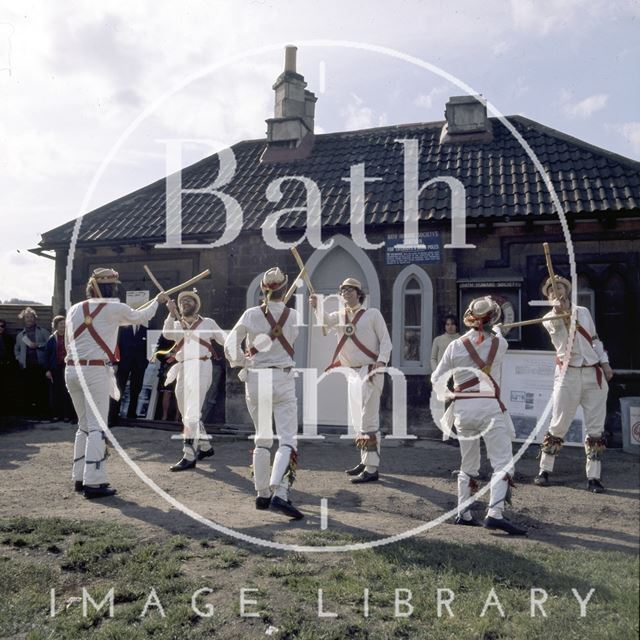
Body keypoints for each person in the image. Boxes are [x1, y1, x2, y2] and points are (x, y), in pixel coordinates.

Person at [66, 267, 168, 499]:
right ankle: (94, 482)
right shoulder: (115, 308)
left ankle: (79, 478)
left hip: (71, 370)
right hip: (94, 370)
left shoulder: (74, 309)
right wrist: (158, 301)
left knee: (83, 426)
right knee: (97, 427)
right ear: (112, 287)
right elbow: (141, 317)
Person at [431, 296, 527, 536]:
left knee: (469, 463)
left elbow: (436, 379)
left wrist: (450, 395)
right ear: (492, 318)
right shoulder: (500, 344)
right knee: (502, 462)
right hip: (489, 407)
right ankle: (495, 514)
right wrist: (498, 330)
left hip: (463, 409)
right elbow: (496, 341)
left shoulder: (455, 345)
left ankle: (463, 513)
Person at [225, 267, 303, 520]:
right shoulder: (293, 316)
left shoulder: (250, 314)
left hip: (257, 378)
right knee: (287, 438)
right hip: (282, 377)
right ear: (284, 288)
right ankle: (279, 493)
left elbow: (230, 342)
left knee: (262, 438)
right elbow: (292, 338)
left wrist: (240, 361)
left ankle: (261, 493)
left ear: (263, 289)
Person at [534, 275, 614, 493]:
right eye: (551, 290)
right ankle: (544, 470)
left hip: (593, 373)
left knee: (596, 427)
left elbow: (595, 340)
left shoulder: (584, 312)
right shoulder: (549, 318)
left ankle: (594, 478)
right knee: (558, 423)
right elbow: (560, 335)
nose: (556, 291)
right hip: (568, 374)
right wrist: (560, 313)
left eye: (559, 287)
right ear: (548, 296)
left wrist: (605, 364)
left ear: (566, 291)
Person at [310, 277, 392, 484]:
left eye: (350, 289)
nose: (345, 293)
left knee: (369, 419)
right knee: (357, 419)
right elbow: (325, 324)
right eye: (342, 290)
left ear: (359, 293)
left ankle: (373, 468)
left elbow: (385, 341)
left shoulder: (373, 314)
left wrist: (381, 362)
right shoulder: (339, 316)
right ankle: (365, 461)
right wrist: (316, 307)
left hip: (371, 370)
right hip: (353, 373)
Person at [162, 290, 227, 471]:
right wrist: (169, 311)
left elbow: (225, 339)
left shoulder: (208, 323)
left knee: (191, 412)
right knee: (186, 413)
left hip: (201, 366)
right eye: (183, 301)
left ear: (196, 306)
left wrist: (239, 351)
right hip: (183, 368)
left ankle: (189, 455)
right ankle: (205, 447)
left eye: (190, 301)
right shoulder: (176, 324)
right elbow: (166, 334)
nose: (186, 303)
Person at [14, 307, 49, 418]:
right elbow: (16, 349)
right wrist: (19, 358)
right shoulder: (20, 335)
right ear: (24, 319)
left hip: (40, 366)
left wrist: (38, 345)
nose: (29, 319)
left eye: (31, 317)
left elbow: (50, 345)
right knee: (28, 390)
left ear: (35, 318)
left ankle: (42, 413)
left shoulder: (43, 332)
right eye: (27, 317)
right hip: (26, 367)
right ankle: (30, 414)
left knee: (41, 390)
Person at [111, 323, 149, 421]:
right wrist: (115, 362)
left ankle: (131, 414)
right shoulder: (122, 328)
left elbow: (148, 348)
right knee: (119, 388)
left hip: (139, 365)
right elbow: (116, 344)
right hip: (123, 363)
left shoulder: (145, 329)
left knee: (136, 389)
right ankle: (113, 415)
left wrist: (145, 362)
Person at [429, 314, 460, 429]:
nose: (450, 327)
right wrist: (437, 372)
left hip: (457, 377)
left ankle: (455, 432)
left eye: (452, 324)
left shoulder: (461, 340)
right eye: (447, 324)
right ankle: (444, 431)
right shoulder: (438, 340)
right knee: (443, 404)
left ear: (456, 325)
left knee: (455, 405)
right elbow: (433, 358)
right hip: (442, 377)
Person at [44, 315, 75, 422]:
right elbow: (47, 355)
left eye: (64, 324)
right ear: (56, 326)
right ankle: (56, 415)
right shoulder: (52, 339)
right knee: (55, 392)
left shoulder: (70, 338)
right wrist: (47, 370)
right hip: (55, 369)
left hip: (67, 368)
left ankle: (67, 415)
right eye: (60, 324)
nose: (63, 326)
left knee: (67, 392)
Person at [0, 319, 18, 416]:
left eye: (2, 326)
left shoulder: (8, 339)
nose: (0, 328)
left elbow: (12, 354)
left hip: (5, 368)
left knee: (4, 389)